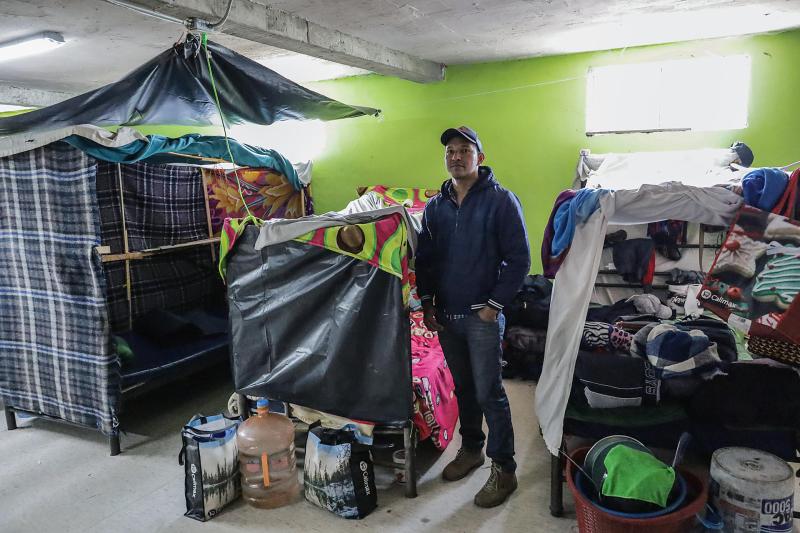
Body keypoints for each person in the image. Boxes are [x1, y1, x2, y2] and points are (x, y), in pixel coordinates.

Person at [415, 126, 531, 508]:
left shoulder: (501, 201)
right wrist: (428, 303)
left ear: (479, 156)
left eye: (465, 150)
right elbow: (426, 261)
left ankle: (505, 468)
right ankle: (472, 449)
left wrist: (493, 306)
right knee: (463, 388)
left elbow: (519, 260)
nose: (456, 156)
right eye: (450, 150)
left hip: (481, 317)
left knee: (489, 392)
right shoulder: (436, 206)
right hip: (446, 316)